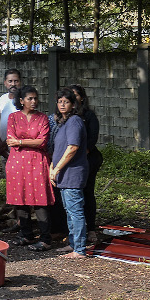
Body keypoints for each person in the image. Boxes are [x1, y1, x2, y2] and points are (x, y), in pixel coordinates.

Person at [5, 86, 53, 251]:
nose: (34, 102)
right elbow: (9, 139)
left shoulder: (43, 118)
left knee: (40, 200)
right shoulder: (13, 117)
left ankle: (46, 238)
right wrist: (27, 142)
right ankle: (26, 235)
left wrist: (20, 142)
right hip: (17, 162)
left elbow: (42, 142)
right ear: (21, 101)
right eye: (30, 98)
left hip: (37, 162)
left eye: (35, 98)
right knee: (20, 199)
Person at [51, 87, 90, 259]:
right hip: (64, 174)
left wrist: (57, 168)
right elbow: (58, 149)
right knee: (69, 210)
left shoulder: (74, 121)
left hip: (73, 173)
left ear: (73, 104)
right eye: (60, 102)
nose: (62, 105)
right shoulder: (63, 123)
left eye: (66, 102)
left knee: (75, 210)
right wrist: (53, 169)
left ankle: (80, 249)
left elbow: (73, 148)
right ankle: (73, 244)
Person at [69, 84, 103, 241]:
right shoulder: (64, 116)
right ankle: (72, 229)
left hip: (87, 159)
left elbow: (91, 140)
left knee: (87, 192)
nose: (72, 98)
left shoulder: (89, 116)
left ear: (82, 98)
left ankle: (90, 229)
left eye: (75, 95)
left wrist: (77, 154)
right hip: (69, 161)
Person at [0, 69, 23, 156]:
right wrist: (0, 143)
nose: (13, 84)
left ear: (20, 82)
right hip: (4, 149)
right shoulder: (2, 99)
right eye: (10, 81)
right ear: (5, 83)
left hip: (19, 149)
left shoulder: (24, 100)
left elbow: (23, 127)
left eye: (16, 81)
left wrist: (5, 143)